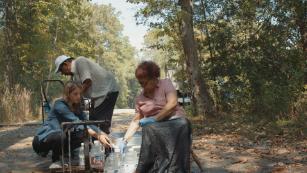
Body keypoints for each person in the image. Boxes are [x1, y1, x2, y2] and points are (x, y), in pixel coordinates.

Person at [119, 61, 191, 173]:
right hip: (155, 132)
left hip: (175, 124)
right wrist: (125, 140)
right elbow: (136, 121)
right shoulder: (140, 99)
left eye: (145, 83)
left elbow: (172, 104)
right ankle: (147, 169)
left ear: (154, 78)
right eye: (140, 84)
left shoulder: (165, 84)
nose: (143, 87)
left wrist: (154, 119)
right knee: (149, 128)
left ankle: (177, 170)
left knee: (183, 123)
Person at [32, 82, 111, 168]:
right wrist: (98, 136)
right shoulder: (59, 104)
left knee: (81, 134)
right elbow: (77, 123)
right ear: (68, 94)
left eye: (80, 94)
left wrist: (103, 134)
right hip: (43, 140)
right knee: (61, 135)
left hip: (60, 137)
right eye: (75, 94)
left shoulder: (77, 107)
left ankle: (69, 154)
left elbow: (87, 123)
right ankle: (56, 161)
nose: (79, 97)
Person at [54, 55, 119, 134]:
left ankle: (104, 141)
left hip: (108, 90)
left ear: (66, 64)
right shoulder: (74, 77)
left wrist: (71, 98)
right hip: (97, 96)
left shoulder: (80, 61)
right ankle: (96, 140)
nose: (62, 73)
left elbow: (87, 82)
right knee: (91, 122)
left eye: (61, 70)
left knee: (100, 123)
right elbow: (78, 92)